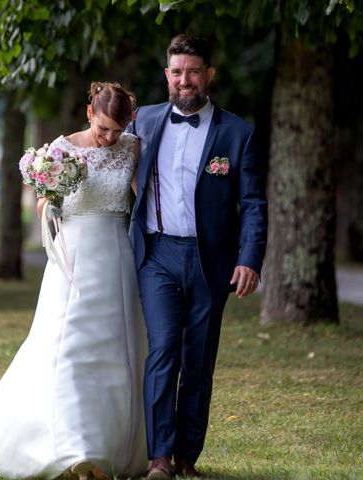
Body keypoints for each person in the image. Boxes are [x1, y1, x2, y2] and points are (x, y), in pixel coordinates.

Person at [0, 82, 147, 479]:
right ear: (89, 114)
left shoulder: (131, 148)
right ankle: (78, 452)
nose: (108, 138)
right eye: (103, 129)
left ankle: (116, 446)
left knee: (119, 354)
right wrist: (48, 202)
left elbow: (140, 198)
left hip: (117, 257)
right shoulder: (61, 149)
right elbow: (42, 199)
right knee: (68, 351)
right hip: (73, 259)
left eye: (116, 131)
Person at [128, 34, 267, 479]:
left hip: (212, 261)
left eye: (192, 72)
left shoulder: (238, 132)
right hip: (157, 255)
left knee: (199, 359)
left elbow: (253, 203)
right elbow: (103, 155)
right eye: (176, 72)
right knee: (164, 348)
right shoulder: (143, 121)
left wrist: (250, 257)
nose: (184, 80)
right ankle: (159, 458)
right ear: (166, 76)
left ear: (208, 74)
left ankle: (188, 457)